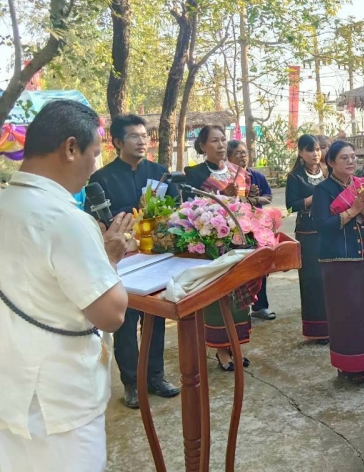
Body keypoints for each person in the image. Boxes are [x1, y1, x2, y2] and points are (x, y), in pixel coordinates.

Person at [0, 99, 130, 472]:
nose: (93, 167)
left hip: (11, 386)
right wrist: (109, 260)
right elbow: (111, 314)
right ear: (71, 148)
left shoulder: (6, 204)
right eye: (94, 154)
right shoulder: (65, 219)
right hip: (60, 400)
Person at [88, 114, 181, 409]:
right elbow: (95, 220)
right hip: (122, 260)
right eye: (133, 136)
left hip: (155, 257)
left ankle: (155, 376)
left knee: (155, 318)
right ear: (117, 142)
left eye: (144, 135)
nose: (142, 141)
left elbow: (177, 209)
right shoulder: (102, 179)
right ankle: (131, 383)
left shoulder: (160, 173)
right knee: (125, 323)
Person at [312, 141, 364, 384]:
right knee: (347, 312)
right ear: (331, 162)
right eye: (344, 158)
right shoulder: (323, 190)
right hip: (339, 260)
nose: (351, 161)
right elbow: (321, 225)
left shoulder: (363, 184)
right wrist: (352, 211)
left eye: (353, 157)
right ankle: (349, 365)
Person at [185, 125, 256, 371]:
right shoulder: (194, 174)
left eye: (223, 140)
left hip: (240, 240)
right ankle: (221, 350)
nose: (221, 145)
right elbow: (190, 208)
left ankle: (237, 345)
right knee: (218, 298)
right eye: (214, 140)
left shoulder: (238, 171)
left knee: (239, 297)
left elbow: (248, 203)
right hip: (212, 245)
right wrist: (220, 195)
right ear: (202, 145)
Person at [285, 134, 328, 342]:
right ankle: (317, 330)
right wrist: (315, 197)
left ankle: (334, 324)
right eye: (310, 150)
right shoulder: (295, 177)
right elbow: (290, 206)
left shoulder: (327, 171)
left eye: (318, 149)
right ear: (301, 152)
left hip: (329, 229)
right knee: (313, 279)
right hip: (308, 233)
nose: (315, 154)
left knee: (329, 277)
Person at [227, 140, 276, 321]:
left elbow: (268, 197)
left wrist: (253, 200)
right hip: (233, 229)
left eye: (244, 152)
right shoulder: (226, 177)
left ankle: (260, 306)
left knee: (260, 265)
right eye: (238, 153)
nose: (243, 156)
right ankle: (239, 310)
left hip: (257, 228)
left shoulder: (256, 176)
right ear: (229, 157)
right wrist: (246, 199)